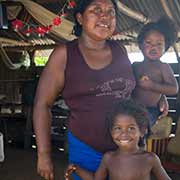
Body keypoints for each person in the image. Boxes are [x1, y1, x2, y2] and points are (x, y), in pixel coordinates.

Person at [33, 1, 169, 180]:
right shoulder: (65, 54)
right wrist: (43, 154)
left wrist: (159, 95)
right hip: (87, 149)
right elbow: (42, 104)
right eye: (96, 10)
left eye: (111, 12)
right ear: (80, 18)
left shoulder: (119, 50)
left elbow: (132, 87)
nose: (105, 16)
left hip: (126, 149)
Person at [65, 99, 171, 180]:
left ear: (142, 131)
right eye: (118, 128)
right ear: (111, 131)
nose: (124, 134)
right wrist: (76, 168)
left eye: (131, 128)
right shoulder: (108, 158)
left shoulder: (150, 159)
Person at [132, 17, 178, 127]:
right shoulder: (135, 65)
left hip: (149, 111)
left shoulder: (163, 67)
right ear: (140, 45)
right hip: (131, 107)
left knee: (139, 129)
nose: (154, 47)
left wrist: (152, 86)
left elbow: (174, 89)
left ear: (165, 47)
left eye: (159, 44)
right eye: (148, 42)